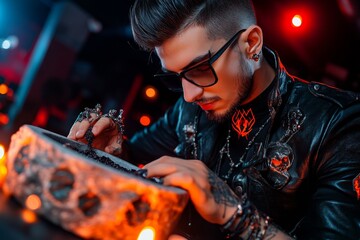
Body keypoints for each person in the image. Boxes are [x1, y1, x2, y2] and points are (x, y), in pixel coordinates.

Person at [68, 0, 360, 239]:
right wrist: (114, 151)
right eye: (176, 76)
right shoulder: (189, 110)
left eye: (200, 69)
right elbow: (136, 158)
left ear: (252, 44)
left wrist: (233, 212)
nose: (189, 94)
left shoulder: (337, 122)